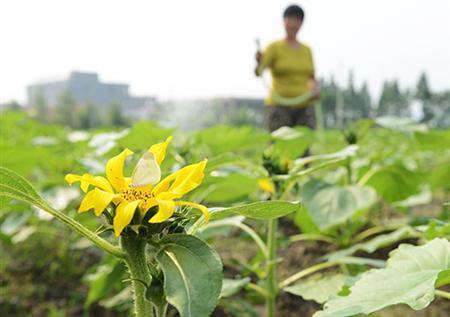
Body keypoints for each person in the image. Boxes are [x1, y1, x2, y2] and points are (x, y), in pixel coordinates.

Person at [255, 4, 319, 132]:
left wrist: (314, 90)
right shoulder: (274, 47)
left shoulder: (307, 50)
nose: (293, 24)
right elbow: (259, 72)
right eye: (290, 19)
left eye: (297, 20)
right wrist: (259, 61)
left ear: (301, 23)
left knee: (303, 147)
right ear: (284, 21)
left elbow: (311, 77)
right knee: (279, 148)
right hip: (279, 106)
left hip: (304, 107)